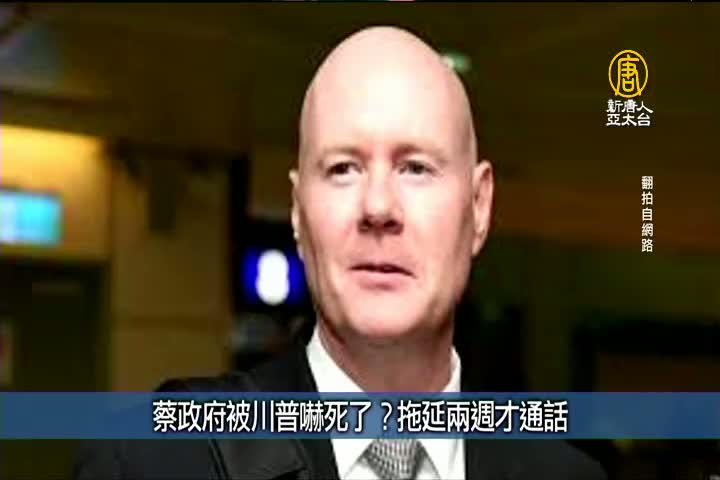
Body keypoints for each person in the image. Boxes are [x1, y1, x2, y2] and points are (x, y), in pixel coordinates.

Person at [76, 26, 606, 480]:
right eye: (343, 169)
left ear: (479, 206)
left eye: (415, 168)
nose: (378, 207)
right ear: (297, 211)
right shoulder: (158, 462)